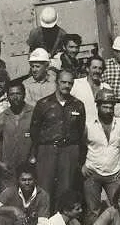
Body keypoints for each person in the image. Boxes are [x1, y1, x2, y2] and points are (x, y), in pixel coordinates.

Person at [30, 69, 87, 201]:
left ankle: (61, 220)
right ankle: (43, 220)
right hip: (47, 150)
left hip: (69, 150)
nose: (67, 86)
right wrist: (36, 153)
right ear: (57, 82)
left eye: (70, 83)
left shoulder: (78, 105)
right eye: (63, 82)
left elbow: (80, 130)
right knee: (44, 189)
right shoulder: (43, 104)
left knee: (66, 189)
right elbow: (34, 130)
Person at [82, 90, 120, 219]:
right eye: (105, 107)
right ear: (98, 106)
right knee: (92, 210)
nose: (108, 110)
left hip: (114, 174)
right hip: (92, 173)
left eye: (111, 107)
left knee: (117, 208)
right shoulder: (88, 125)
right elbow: (80, 145)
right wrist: (82, 165)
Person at [0, 81, 34, 192]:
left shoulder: (33, 113)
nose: (15, 97)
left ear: (24, 94)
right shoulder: (3, 116)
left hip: (27, 167)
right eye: (12, 94)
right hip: (8, 167)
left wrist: (34, 158)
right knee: (8, 198)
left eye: (18, 93)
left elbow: (39, 139)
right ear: (7, 96)